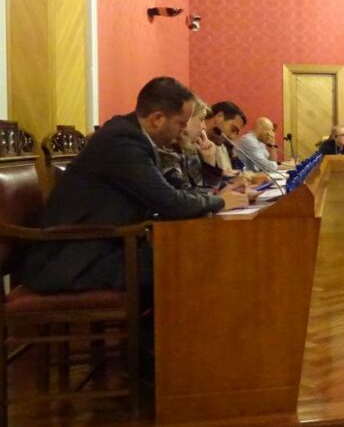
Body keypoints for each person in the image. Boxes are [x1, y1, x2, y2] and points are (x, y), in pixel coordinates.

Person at [19, 77, 247, 293]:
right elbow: (170, 202)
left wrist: (212, 197)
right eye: (181, 122)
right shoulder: (122, 142)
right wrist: (219, 202)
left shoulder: (133, 137)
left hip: (103, 246)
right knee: (188, 260)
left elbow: (171, 194)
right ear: (157, 119)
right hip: (72, 260)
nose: (184, 129)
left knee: (191, 252)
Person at [205, 101, 247, 171]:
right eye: (233, 129)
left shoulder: (223, 146)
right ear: (219, 116)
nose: (232, 137)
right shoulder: (191, 139)